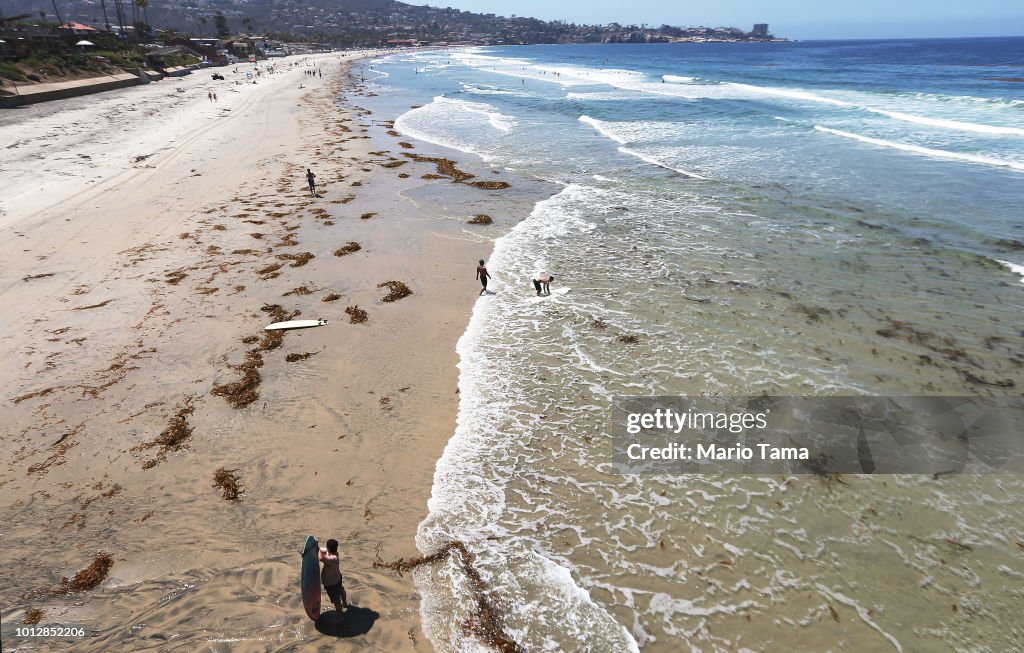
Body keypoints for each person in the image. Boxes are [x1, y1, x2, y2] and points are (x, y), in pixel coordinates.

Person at [318, 539, 348, 616]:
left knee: (336, 601)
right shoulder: (333, 553)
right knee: (341, 590)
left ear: (328, 548)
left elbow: (321, 558)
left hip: (332, 584)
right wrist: (316, 546)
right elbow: (322, 549)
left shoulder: (334, 558)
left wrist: (319, 551)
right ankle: (344, 603)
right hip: (337, 579)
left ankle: (340, 617)